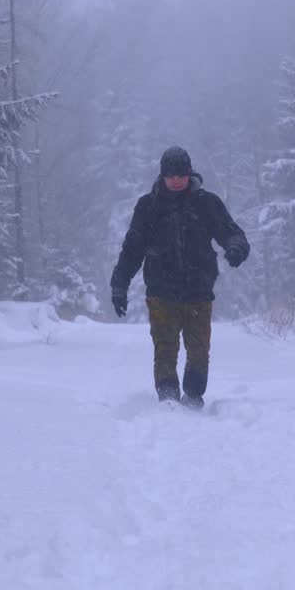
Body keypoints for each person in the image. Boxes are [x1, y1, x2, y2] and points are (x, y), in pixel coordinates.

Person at [111, 146, 250, 408]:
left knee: (199, 351)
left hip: (199, 292)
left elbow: (232, 233)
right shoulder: (148, 207)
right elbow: (132, 250)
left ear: (189, 173)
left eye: (181, 175)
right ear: (162, 175)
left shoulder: (207, 203)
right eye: (171, 175)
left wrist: (236, 248)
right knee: (165, 348)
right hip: (161, 293)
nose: (176, 180)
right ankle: (168, 400)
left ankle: (194, 396)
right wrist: (119, 284)